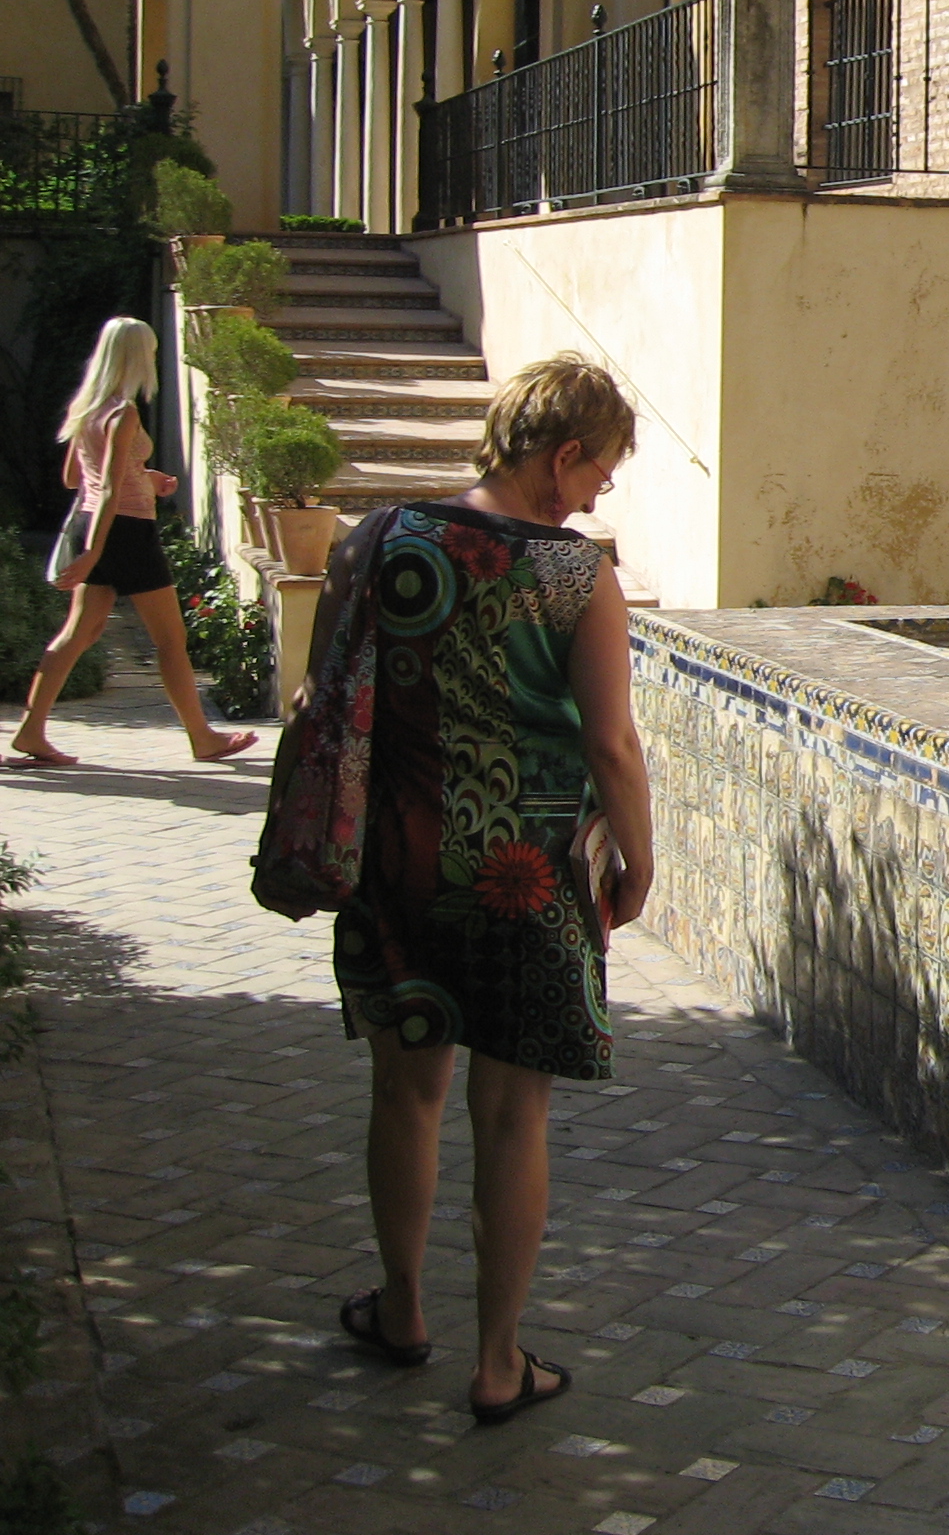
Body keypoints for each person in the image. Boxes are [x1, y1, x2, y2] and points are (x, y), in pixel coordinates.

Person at [314, 353, 655, 1424]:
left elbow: (323, 699)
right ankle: (499, 1363)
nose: (595, 496)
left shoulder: (379, 541)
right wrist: (639, 863)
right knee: (511, 1117)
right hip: (528, 879)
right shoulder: (574, 575)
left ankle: (402, 1310)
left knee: (404, 1092)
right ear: (563, 455)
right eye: (598, 472)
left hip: (401, 863)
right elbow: (611, 745)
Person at [11, 316, 256, 768]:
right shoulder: (123, 412)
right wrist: (93, 553)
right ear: (138, 356)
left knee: (79, 634)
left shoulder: (86, 408)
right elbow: (107, 487)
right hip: (124, 531)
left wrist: (144, 478)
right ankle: (203, 738)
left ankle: (31, 729)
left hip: (95, 524)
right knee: (170, 639)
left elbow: (75, 478)